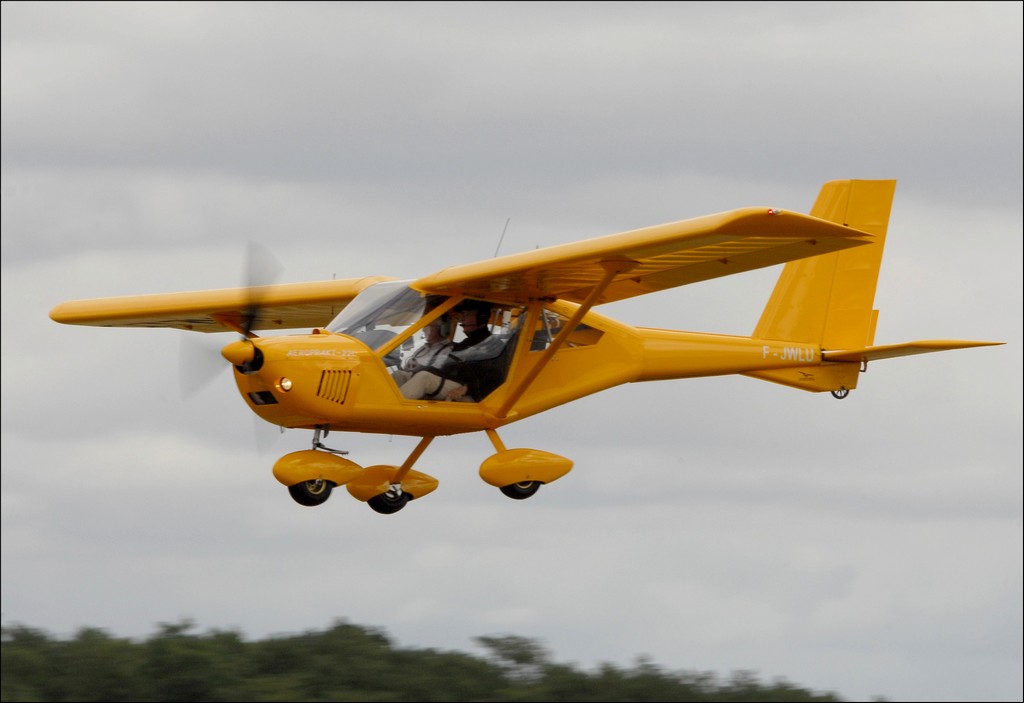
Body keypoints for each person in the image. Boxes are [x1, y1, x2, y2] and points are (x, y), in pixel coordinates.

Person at [400, 300, 494, 401]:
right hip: (454, 383)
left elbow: (496, 378)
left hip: (473, 393)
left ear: (481, 317)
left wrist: (468, 388)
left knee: (424, 377)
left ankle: (395, 408)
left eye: (465, 314)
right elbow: (446, 370)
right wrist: (420, 370)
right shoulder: (464, 344)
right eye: (461, 315)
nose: (461, 319)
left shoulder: (492, 345)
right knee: (400, 375)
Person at [391, 316, 454, 388]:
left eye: (429, 326)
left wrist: (417, 368)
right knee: (396, 375)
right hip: (412, 379)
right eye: (424, 326)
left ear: (442, 329)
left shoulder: (448, 349)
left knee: (399, 375)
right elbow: (408, 366)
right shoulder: (422, 348)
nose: (424, 329)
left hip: (427, 383)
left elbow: (436, 371)